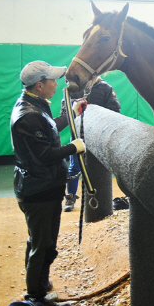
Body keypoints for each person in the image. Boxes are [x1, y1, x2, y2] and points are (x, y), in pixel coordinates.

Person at [10, 60, 87, 306]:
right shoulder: (29, 115)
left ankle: (39, 288)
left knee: (39, 242)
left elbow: (48, 129)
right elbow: (44, 154)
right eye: (53, 80)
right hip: (39, 190)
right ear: (40, 85)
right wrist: (73, 147)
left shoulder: (34, 106)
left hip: (42, 187)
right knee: (42, 246)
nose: (57, 83)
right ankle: (37, 300)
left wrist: (72, 114)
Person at [60, 76, 120, 212]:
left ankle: (102, 198)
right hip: (78, 135)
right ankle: (70, 197)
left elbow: (115, 111)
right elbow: (65, 112)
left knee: (101, 168)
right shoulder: (73, 89)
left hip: (99, 136)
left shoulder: (105, 88)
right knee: (75, 167)